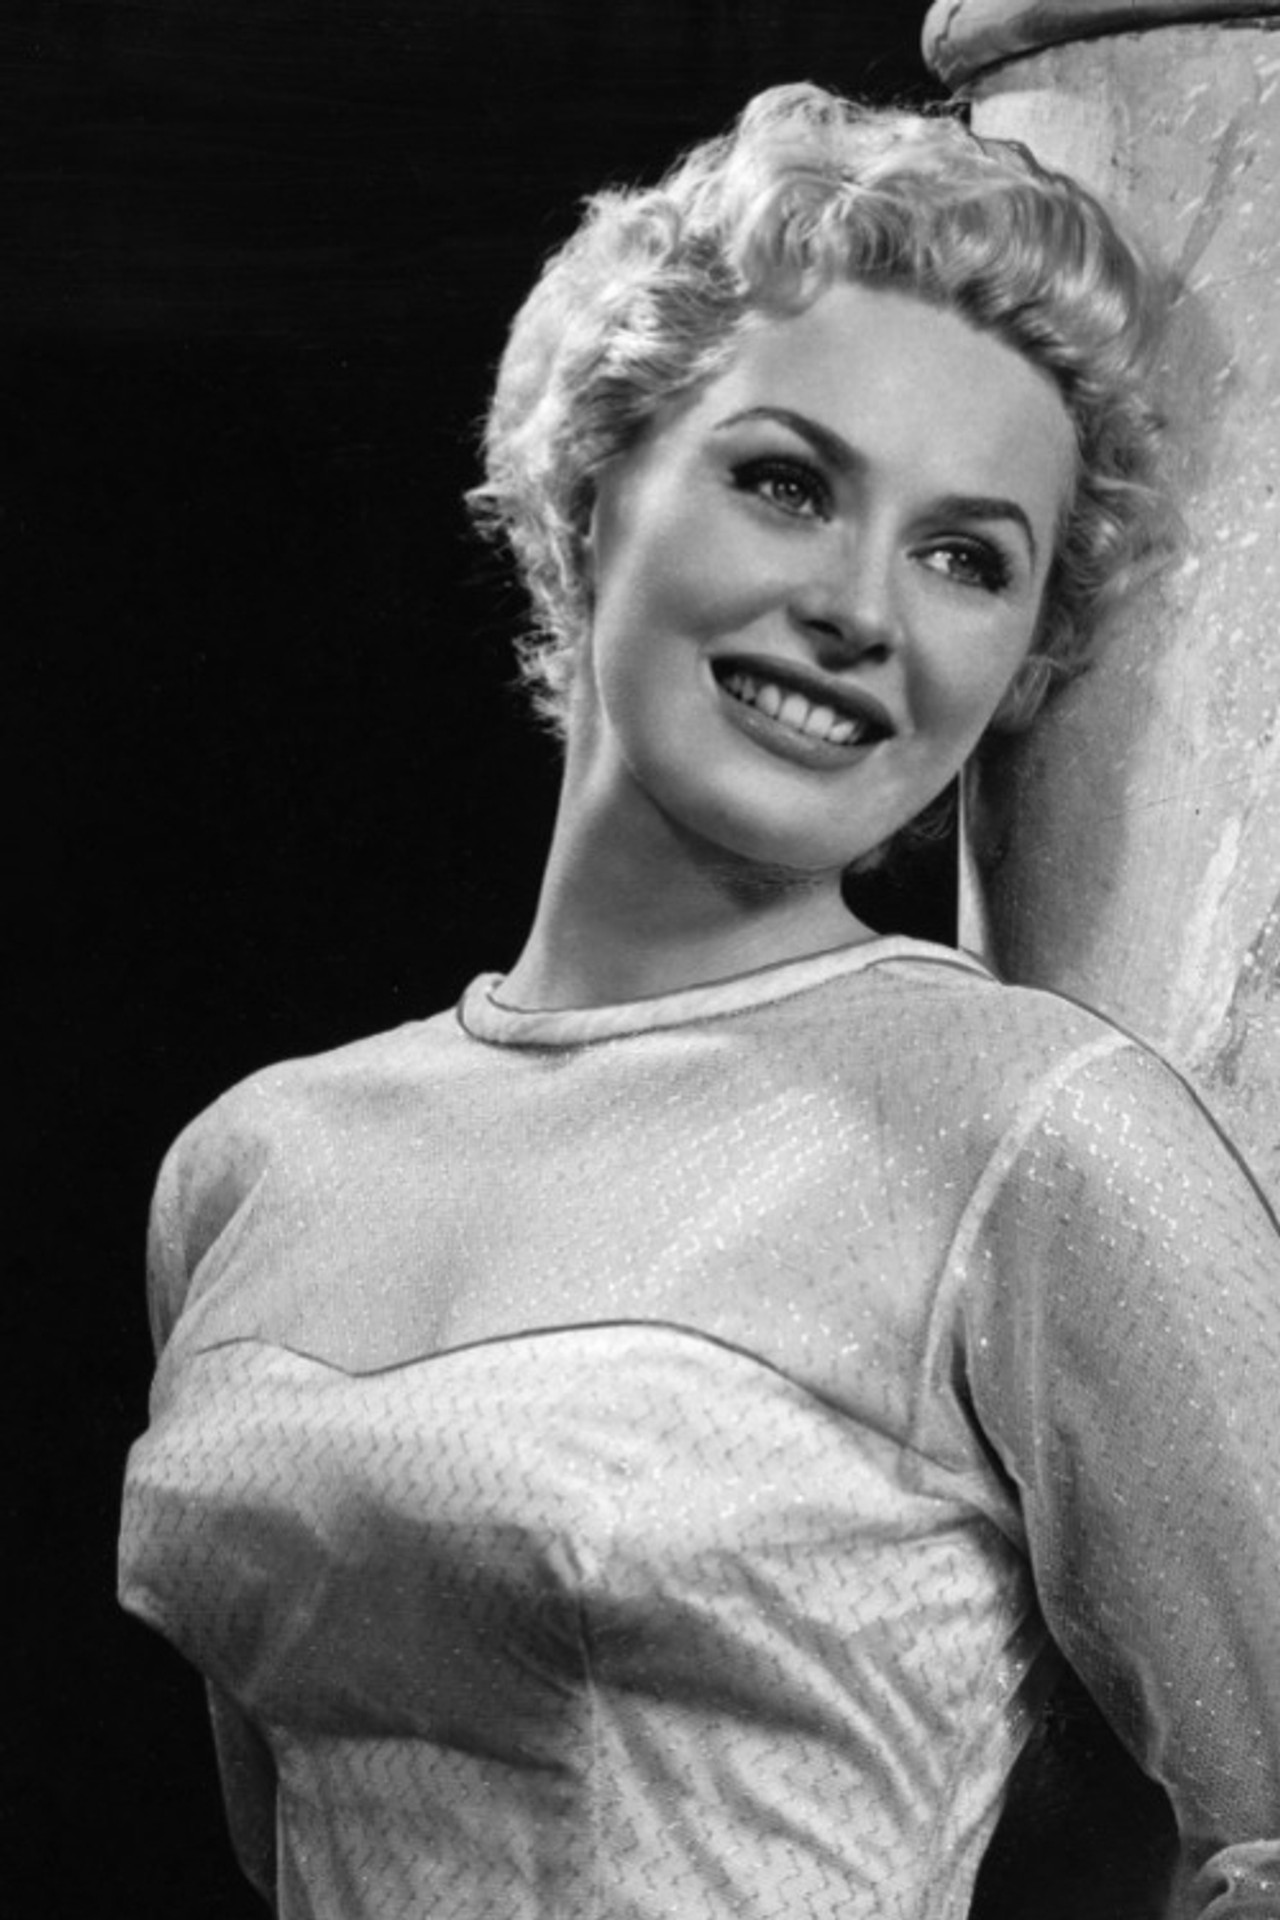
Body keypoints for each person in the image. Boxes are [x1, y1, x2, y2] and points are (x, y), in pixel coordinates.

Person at [118, 83, 1280, 1919]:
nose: (862, 610)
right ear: (593, 491)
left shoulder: (1033, 1130)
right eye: (788, 484)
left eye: (967, 558)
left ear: (1021, 660)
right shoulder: (251, 1166)